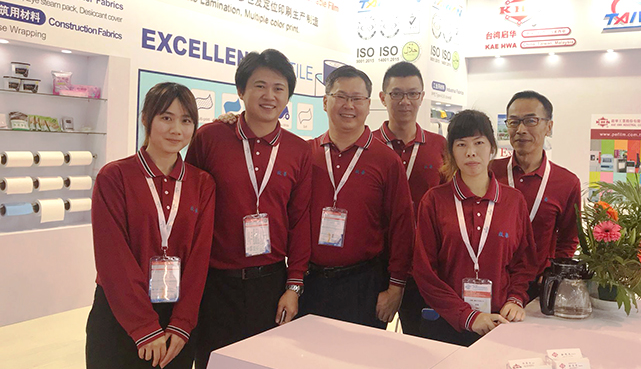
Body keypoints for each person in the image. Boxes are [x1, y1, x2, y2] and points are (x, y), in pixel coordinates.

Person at [185, 50, 312, 369]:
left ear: (288, 96)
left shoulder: (298, 150)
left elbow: (299, 221)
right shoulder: (209, 138)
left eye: (279, 88)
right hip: (215, 283)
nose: (270, 96)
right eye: (260, 86)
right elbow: (189, 209)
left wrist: (294, 286)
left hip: (269, 283)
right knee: (214, 362)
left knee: (265, 363)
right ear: (241, 91)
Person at [86, 82, 215, 369]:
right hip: (121, 313)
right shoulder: (114, 177)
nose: (176, 130)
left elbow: (199, 258)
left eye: (186, 120)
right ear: (146, 118)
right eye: (166, 118)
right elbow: (112, 257)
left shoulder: (202, 183)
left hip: (176, 319)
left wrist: (183, 323)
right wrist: (143, 326)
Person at [299, 65, 415, 329]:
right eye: (341, 96)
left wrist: (396, 287)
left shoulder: (386, 160)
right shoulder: (306, 154)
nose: (349, 105)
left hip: (364, 283)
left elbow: (402, 226)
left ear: (368, 105)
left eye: (357, 98)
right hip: (310, 282)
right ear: (325, 102)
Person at [413, 109, 538, 346]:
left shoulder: (513, 201)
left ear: (492, 147)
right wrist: (468, 317)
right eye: (461, 145)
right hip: (446, 323)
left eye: (479, 143)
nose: (471, 152)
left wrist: (515, 299)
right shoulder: (434, 200)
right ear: (451, 152)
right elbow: (424, 271)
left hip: (500, 322)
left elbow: (524, 262)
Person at [372, 61, 446, 336]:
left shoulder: (440, 147)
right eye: (397, 94)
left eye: (413, 93)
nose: (405, 101)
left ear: (422, 97)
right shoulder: (367, 144)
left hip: (422, 264)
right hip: (376, 262)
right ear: (383, 97)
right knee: (368, 342)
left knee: (422, 342)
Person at [489, 91, 581, 299]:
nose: (521, 130)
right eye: (513, 122)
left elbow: (568, 238)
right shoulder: (489, 173)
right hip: (491, 281)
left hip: (537, 286)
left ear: (549, 126)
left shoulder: (566, 182)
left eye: (531, 121)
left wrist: (553, 273)